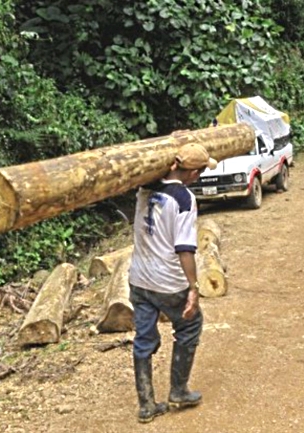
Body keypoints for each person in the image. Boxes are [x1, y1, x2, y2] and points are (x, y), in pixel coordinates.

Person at [128, 143, 217, 423]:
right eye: (200, 171)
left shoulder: (144, 187)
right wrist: (193, 287)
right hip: (167, 282)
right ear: (193, 172)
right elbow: (184, 248)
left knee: (143, 338)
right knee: (190, 325)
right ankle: (178, 390)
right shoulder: (184, 198)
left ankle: (146, 405)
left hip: (139, 279)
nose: (200, 175)